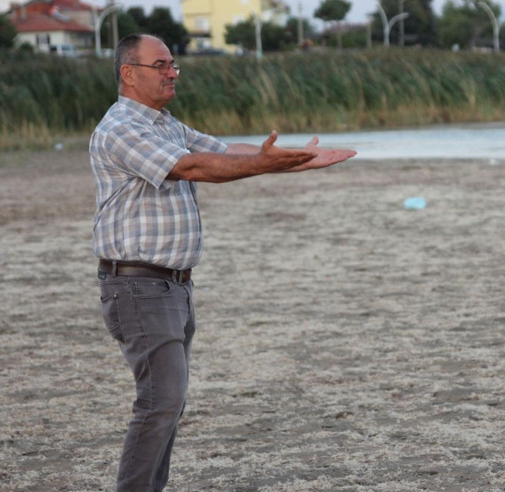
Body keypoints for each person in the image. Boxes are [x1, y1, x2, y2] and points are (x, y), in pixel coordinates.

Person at [89, 33, 356, 492]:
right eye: (161, 65)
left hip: (172, 286)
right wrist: (268, 165)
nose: (172, 72)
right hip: (138, 287)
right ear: (128, 74)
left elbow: (223, 152)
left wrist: (295, 158)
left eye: (174, 64)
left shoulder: (166, 124)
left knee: (167, 404)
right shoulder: (121, 129)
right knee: (159, 403)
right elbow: (194, 168)